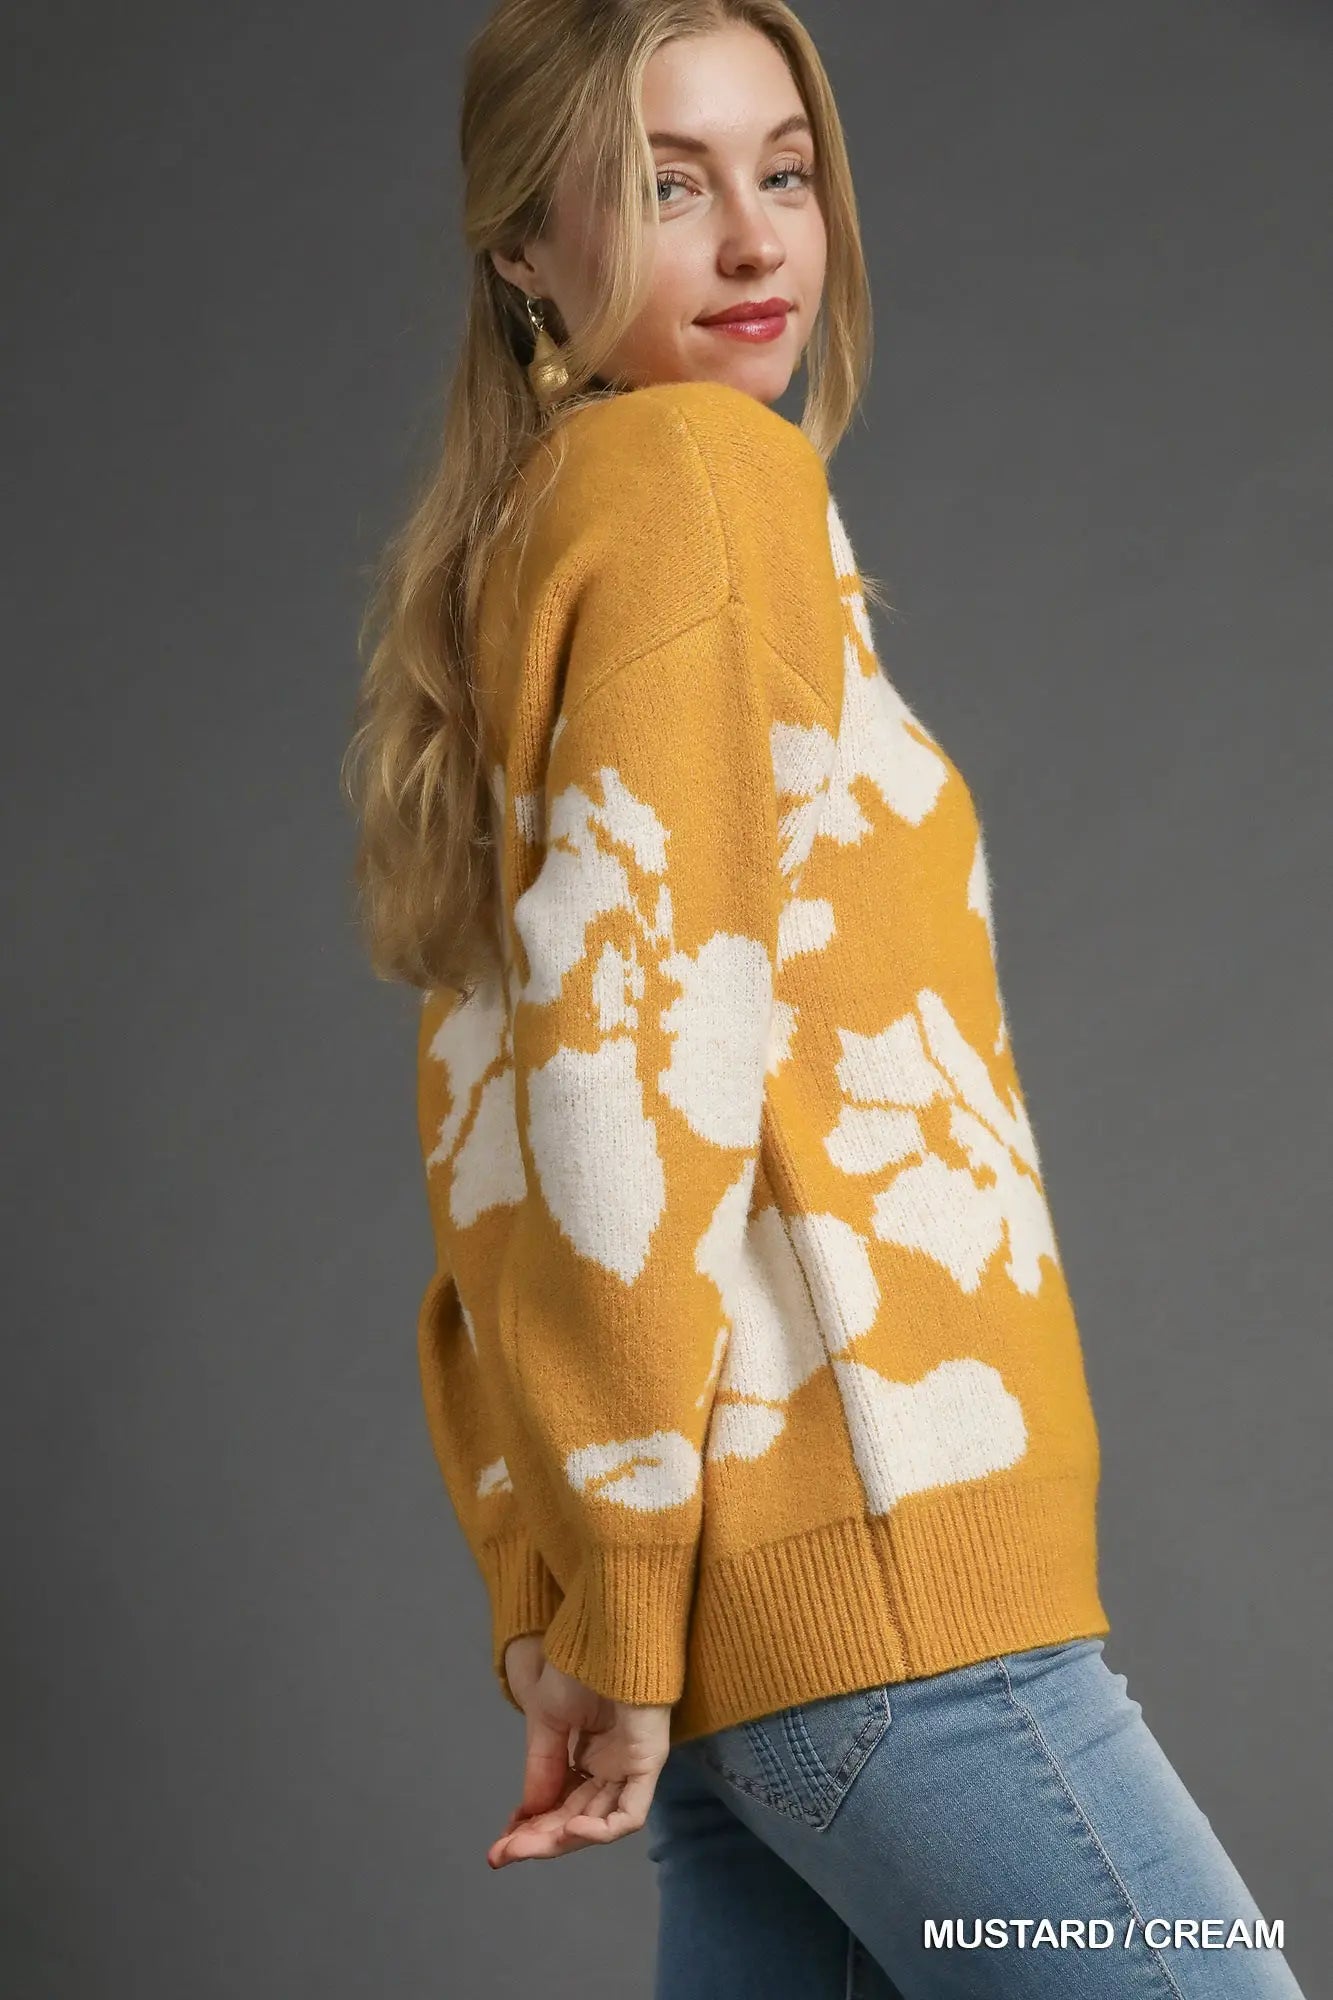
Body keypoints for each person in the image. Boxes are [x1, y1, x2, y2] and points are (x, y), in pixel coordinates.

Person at [341, 2, 1309, 1993]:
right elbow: (616, 1083)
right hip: (889, 1602)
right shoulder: (703, 480)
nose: (753, 239)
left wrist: (577, 1592)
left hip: (751, 1657)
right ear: (522, 243)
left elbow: (494, 1123)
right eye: (664, 183)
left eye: (782, 171)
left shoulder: (541, 538)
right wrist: (608, 1598)